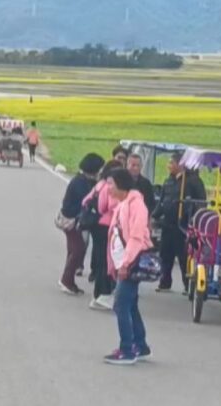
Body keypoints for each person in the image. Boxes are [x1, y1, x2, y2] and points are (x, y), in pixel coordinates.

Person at [104, 169, 153, 365]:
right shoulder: (123, 204)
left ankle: (127, 349)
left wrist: (125, 264)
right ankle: (140, 344)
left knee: (120, 304)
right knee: (130, 304)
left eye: (111, 184)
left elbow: (136, 237)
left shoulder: (136, 205)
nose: (108, 188)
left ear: (121, 185)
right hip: (124, 261)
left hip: (131, 261)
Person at [152, 152, 206, 293]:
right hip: (168, 224)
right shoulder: (168, 182)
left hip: (183, 225)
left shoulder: (193, 181)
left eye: (171, 163)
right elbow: (162, 202)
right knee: (165, 254)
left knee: (184, 256)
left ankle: (187, 284)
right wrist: (154, 216)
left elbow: (201, 202)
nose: (169, 166)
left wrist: (194, 219)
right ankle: (165, 281)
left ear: (181, 164)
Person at [58, 153, 106, 295]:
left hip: (72, 219)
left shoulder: (83, 180)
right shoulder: (80, 183)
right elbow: (86, 201)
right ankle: (66, 280)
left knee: (74, 250)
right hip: (70, 220)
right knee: (78, 250)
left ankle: (69, 280)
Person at [83, 160, 123, 310]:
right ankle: (102, 294)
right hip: (106, 226)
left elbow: (85, 201)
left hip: (98, 225)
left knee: (102, 260)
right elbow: (105, 206)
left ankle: (99, 294)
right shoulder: (109, 187)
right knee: (106, 262)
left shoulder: (99, 185)